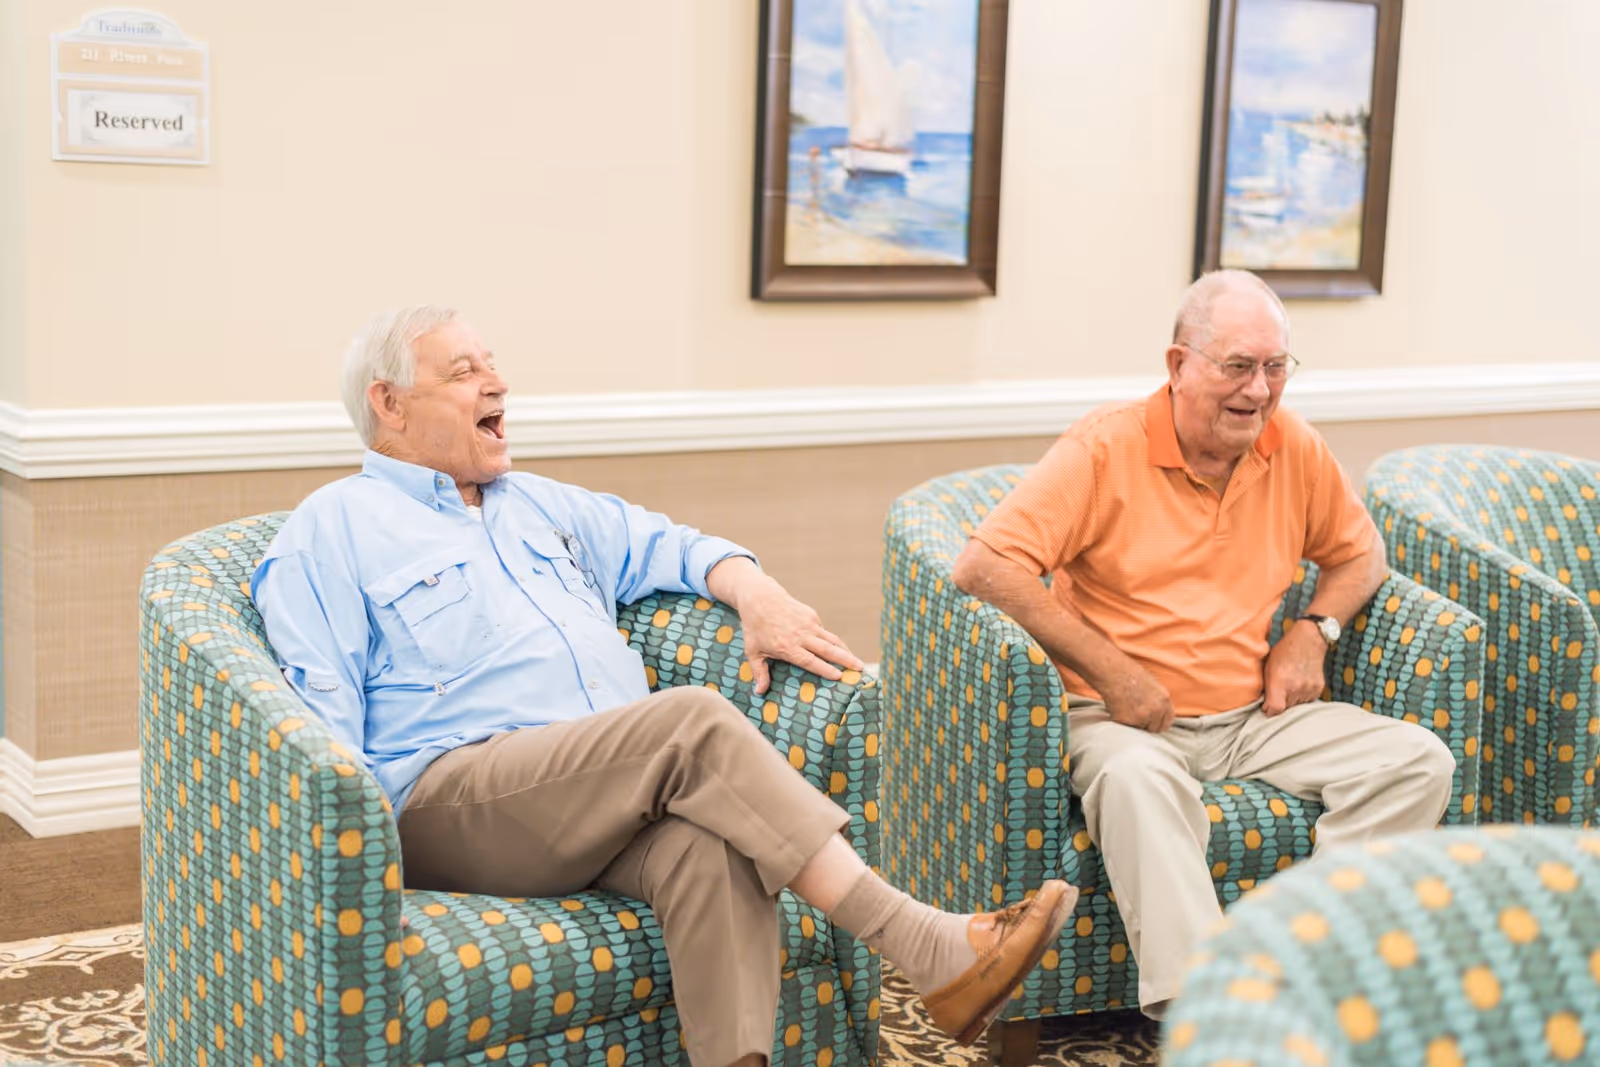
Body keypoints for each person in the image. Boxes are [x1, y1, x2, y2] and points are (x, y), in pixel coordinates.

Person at [251, 305, 1078, 1066]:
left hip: (596, 793)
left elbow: (675, 546)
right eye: (465, 371)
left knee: (710, 847)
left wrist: (757, 592)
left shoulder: (539, 503)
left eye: (493, 365)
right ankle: (922, 941)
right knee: (685, 720)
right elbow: (321, 722)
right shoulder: (332, 528)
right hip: (447, 798)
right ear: (389, 404)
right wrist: (352, 860)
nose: (496, 383)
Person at [951, 270, 1455, 1020]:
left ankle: (1308, 972)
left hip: (1251, 715)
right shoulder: (1103, 448)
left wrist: (1313, 632)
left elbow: (1362, 554)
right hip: (1117, 719)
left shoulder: (1294, 446)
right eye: (1238, 366)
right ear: (1178, 365)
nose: (1259, 389)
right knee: (1137, 784)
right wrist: (1113, 670)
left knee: (1416, 761)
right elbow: (984, 565)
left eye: (1276, 366)